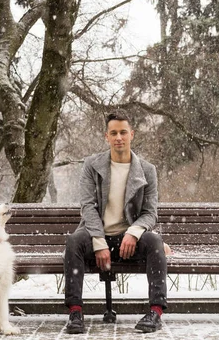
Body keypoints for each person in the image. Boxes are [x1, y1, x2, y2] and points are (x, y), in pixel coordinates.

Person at [64, 109, 167, 334]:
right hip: (96, 235)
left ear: (132, 134)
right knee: (73, 242)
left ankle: (155, 312)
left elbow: (150, 212)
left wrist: (134, 232)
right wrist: (99, 241)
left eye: (123, 132)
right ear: (107, 136)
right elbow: (88, 206)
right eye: (114, 133)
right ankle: (75, 312)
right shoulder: (92, 165)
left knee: (155, 243)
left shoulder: (147, 171)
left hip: (127, 239)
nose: (118, 137)